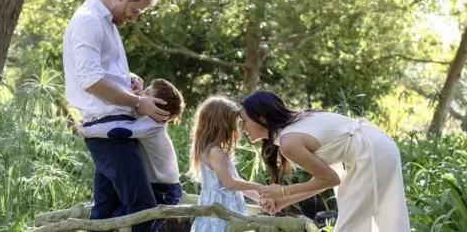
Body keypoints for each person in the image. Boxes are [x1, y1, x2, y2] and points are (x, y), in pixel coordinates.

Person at [62, 0, 169, 232]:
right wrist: (137, 103)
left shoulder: (104, 22)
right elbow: (91, 82)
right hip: (108, 129)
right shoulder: (89, 21)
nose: (135, 18)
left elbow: (100, 72)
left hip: (113, 127)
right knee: (144, 209)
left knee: (105, 211)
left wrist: (128, 79)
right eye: (136, 9)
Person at [240, 90, 411, 232]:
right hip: (375, 146)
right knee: (367, 219)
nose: (243, 128)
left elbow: (330, 179)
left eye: (244, 121)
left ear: (261, 118)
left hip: (371, 151)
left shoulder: (288, 141)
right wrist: (284, 200)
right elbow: (324, 180)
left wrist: (283, 191)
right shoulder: (294, 128)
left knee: (352, 224)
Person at [75, 78, 184, 231]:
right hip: (155, 185)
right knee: (119, 215)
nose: (141, 96)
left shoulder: (152, 126)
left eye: (146, 93)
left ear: (159, 109)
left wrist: (88, 130)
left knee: (143, 221)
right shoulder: (147, 120)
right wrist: (137, 90)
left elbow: (120, 130)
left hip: (164, 191)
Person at [188, 96, 264, 232]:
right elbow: (230, 184)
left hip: (225, 207)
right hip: (220, 210)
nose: (237, 130)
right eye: (234, 124)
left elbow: (236, 182)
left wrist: (260, 199)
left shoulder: (215, 151)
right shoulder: (215, 152)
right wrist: (258, 186)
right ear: (223, 126)